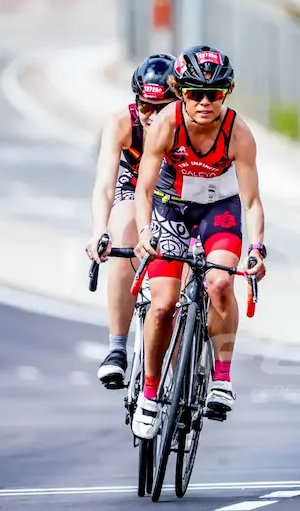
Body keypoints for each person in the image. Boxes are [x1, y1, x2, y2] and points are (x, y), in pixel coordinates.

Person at [131, 44, 267, 440]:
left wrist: (256, 248)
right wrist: (144, 232)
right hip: (170, 206)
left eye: (215, 94)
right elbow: (143, 190)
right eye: (195, 94)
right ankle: (150, 393)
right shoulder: (165, 124)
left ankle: (221, 377)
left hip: (218, 209)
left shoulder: (238, 133)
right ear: (180, 92)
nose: (205, 103)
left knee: (220, 281)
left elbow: (252, 202)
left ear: (227, 93)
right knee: (162, 306)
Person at [85, 53, 177, 388]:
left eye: (161, 108)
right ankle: (117, 348)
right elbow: (105, 186)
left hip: (171, 192)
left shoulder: (188, 124)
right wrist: (99, 231)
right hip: (132, 185)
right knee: (124, 237)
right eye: (144, 107)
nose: (151, 116)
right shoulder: (122, 123)